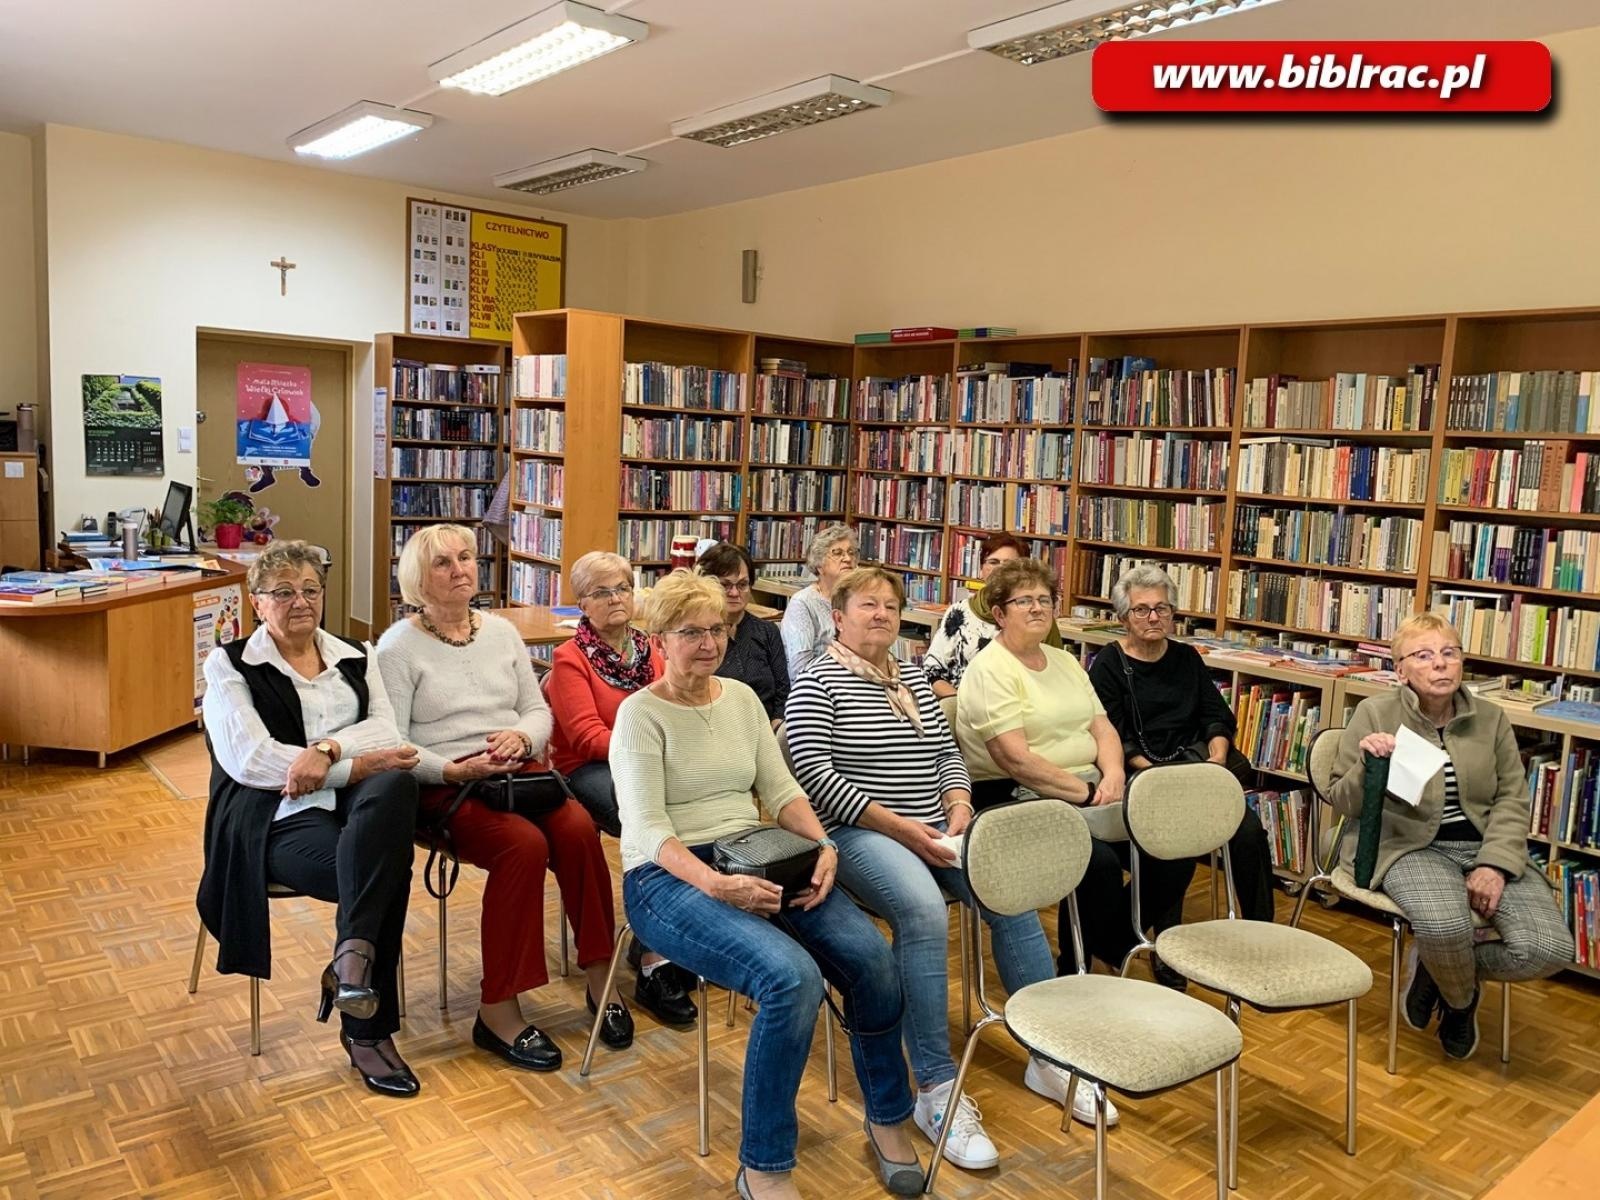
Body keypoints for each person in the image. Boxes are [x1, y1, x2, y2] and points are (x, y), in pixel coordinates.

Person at [613, 571, 923, 1200]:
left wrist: (824, 845)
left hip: (756, 853)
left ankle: (888, 1118)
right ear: (659, 639)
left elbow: (781, 792)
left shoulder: (742, 700)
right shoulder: (639, 715)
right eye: (690, 632)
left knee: (871, 960)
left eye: (716, 629)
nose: (708, 643)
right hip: (667, 876)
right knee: (791, 978)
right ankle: (764, 1165)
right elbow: (647, 828)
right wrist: (718, 886)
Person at [785, 566, 1100, 1170]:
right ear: (839, 616)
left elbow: (947, 753)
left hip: (938, 825)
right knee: (925, 912)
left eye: (890, 606)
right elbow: (814, 780)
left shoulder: (910, 675)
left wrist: (959, 803)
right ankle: (934, 1088)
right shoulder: (816, 679)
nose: (881, 614)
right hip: (859, 832)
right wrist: (902, 828)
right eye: (868, 605)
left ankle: (1047, 1054)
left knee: (1009, 890)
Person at [378, 525, 630, 1070]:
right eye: (443, 562)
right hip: (446, 785)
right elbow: (391, 743)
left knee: (579, 830)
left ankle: (599, 976)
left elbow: (537, 710)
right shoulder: (397, 647)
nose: (460, 569)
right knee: (523, 847)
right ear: (419, 578)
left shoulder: (499, 631)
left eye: (466, 557)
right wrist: (451, 767)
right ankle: (498, 1011)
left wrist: (523, 737)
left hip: (520, 773)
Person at [197, 540, 421, 1097]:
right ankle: (364, 1022)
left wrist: (324, 751)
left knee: (396, 783)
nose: (300, 601)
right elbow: (252, 759)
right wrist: (353, 764)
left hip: (354, 806)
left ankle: (351, 970)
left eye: (311, 590)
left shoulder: (354, 653)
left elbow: (387, 734)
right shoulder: (228, 664)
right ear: (257, 603)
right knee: (383, 870)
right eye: (283, 592)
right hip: (270, 814)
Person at [1326, 611, 1575, 1061]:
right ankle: (1461, 1003)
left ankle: (1436, 970)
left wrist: (1495, 864)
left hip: (1483, 844)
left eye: (1449, 653)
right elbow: (1343, 802)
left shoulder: (1491, 718)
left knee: (1549, 949)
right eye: (1423, 655)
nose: (1440, 664)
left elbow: (1513, 800)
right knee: (1444, 925)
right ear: (1400, 670)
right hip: (1408, 846)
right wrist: (1369, 766)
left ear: (1462, 662)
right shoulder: (1375, 713)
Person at [955, 558, 1193, 991]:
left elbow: (1101, 726)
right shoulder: (991, 669)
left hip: (1092, 784)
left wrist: (1114, 774)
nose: (1036, 608)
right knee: (1094, 860)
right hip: (1014, 795)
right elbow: (1015, 759)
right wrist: (1084, 792)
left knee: (1172, 842)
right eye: (1023, 600)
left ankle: (1106, 943)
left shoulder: (1062, 659)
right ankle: (1089, 960)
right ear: (1000, 611)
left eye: (1044, 599)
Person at [1087, 564, 1276, 957]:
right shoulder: (1108, 664)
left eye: (1162, 608)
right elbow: (1114, 736)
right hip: (1146, 776)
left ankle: (1262, 935)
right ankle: (1164, 947)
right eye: (1142, 609)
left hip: (1199, 770)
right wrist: (1155, 775)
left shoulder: (1187, 657)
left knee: (1249, 834)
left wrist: (1218, 756)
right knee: (1173, 845)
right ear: (1124, 617)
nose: (1154, 617)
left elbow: (1216, 715)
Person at [546, 550, 695, 1027]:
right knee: (646, 815)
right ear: (581, 603)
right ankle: (653, 961)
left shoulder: (652, 648)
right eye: (601, 592)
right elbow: (586, 737)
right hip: (589, 769)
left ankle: (668, 935)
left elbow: (674, 708)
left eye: (623, 588)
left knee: (695, 807)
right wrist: (650, 749)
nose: (615, 599)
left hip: (652, 760)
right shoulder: (569, 659)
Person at [923, 532, 1064, 698]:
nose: (1000, 569)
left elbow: (1053, 678)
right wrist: (959, 703)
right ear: (982, 569)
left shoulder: (1037, 617)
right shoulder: (958, 612)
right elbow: (932, 671)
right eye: (993, 562)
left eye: (1010, 565)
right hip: (960, 707)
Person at [697, 540, 789, 726]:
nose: (734, 593)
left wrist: (776, 726)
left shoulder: (767, 631)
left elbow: (783, 692)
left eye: (742, 584)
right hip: (716, 728)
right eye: (726, 585)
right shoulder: (700, 635)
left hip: (766, 730)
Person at [779, 523, 859, 679]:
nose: (848, 559)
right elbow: (799, 669)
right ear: (819, 564)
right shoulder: (803, 603)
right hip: (817, 689)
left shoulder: (858, 599)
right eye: (837, 553)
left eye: (851, 552)